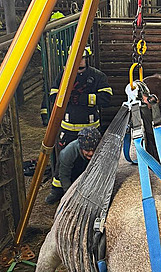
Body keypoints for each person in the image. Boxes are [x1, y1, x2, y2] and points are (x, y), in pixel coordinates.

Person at [41, 46, 112, 204]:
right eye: (76, 58)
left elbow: (106, 98)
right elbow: (53, 94)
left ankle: (93, 189)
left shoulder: (96, 76)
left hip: (91, 129)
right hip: (68, 129)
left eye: (82, 58)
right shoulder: (64, 76)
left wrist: (85, 99)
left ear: (87, 59)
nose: (79, 61)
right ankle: (57, 190)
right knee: (63, 160)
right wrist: (64, 98)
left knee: (91, 160)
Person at [48, 127, 101, 203]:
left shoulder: (100, 148)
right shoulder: (68, 153)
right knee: (53, 198)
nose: (91, 153)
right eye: (87, 150)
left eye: (93, 150)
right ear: (81, 147)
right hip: (67, 175)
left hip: (82, 172)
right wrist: (70, 196)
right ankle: (56, 192)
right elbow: (64, 176)